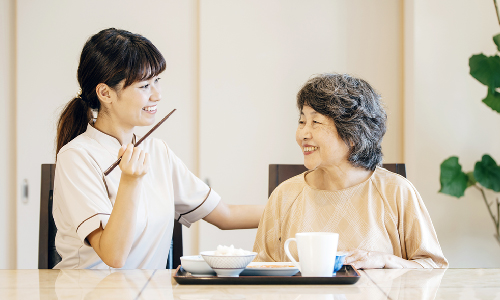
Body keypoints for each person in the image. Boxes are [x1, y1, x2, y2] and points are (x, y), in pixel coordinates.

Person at [53, 28, 263, 269]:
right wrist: (130, 181)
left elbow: (225, 216)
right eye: (144, 86)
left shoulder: (157, 151)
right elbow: (113, 256)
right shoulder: (76, 157)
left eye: (157, 81)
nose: (157, 95)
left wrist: (299, 206)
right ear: (105, 93)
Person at [253, 73, 448, 269]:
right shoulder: (284, 195)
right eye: (302, 122)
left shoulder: (396, 191)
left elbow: (434, 267)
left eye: (316, 122)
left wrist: (385, 260)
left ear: (353, 133)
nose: (303, 133)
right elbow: (261, 270)